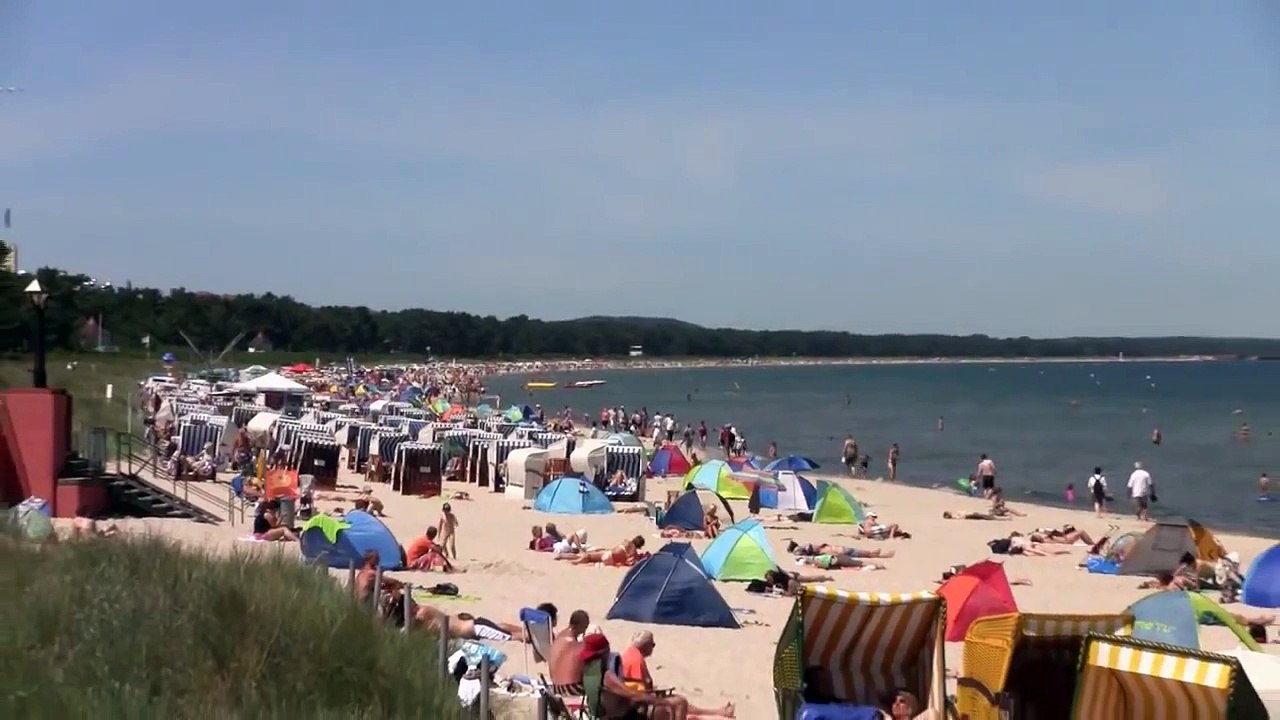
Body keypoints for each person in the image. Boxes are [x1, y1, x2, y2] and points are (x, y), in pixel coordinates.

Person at [619, 630, 736, 718]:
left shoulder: (629, 654)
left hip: (632, 699)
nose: (653, 647)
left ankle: (719, 712)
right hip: (639, 705)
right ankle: (719, 712)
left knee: (677, 701)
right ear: (646, 645)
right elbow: (641, 690)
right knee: (680, 702)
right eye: (652, 645)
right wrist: (656, 693)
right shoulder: (636, 660)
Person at [548, 610, 592, 697]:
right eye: (585, 626)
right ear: (579, 625)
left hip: (556, 687)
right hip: (571, 688)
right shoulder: (572, 644)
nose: (585, 630)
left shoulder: (561, 636)